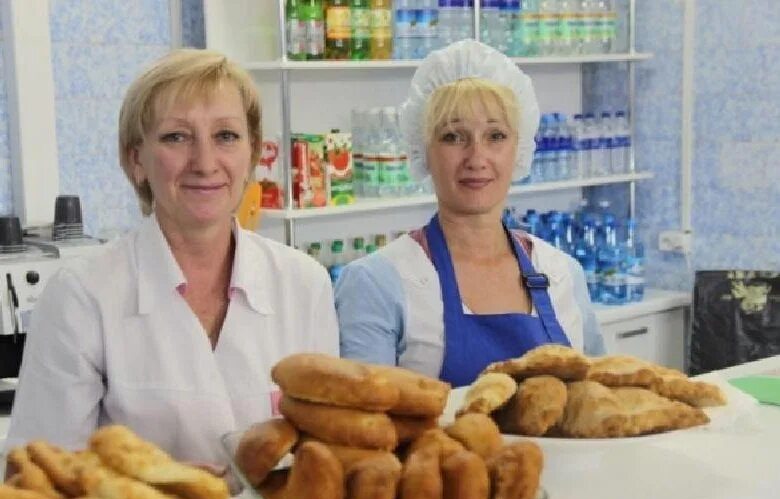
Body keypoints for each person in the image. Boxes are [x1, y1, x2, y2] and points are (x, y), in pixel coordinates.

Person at [6, 49, 339, 465]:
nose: (204, 163)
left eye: (226, 136)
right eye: (176, 137)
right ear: (136, 159)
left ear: (252, 155)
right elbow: (37, 479)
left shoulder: (304, 283)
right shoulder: (82, 296)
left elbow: (324, 456)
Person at [335, 40, 604, 387]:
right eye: (453, 136)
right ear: (423, 150)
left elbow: (599, 401)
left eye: (495, 135)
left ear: (518, 149)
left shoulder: (562, 273)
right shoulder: (376, 283)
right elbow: (366, 428)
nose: (477, 157)